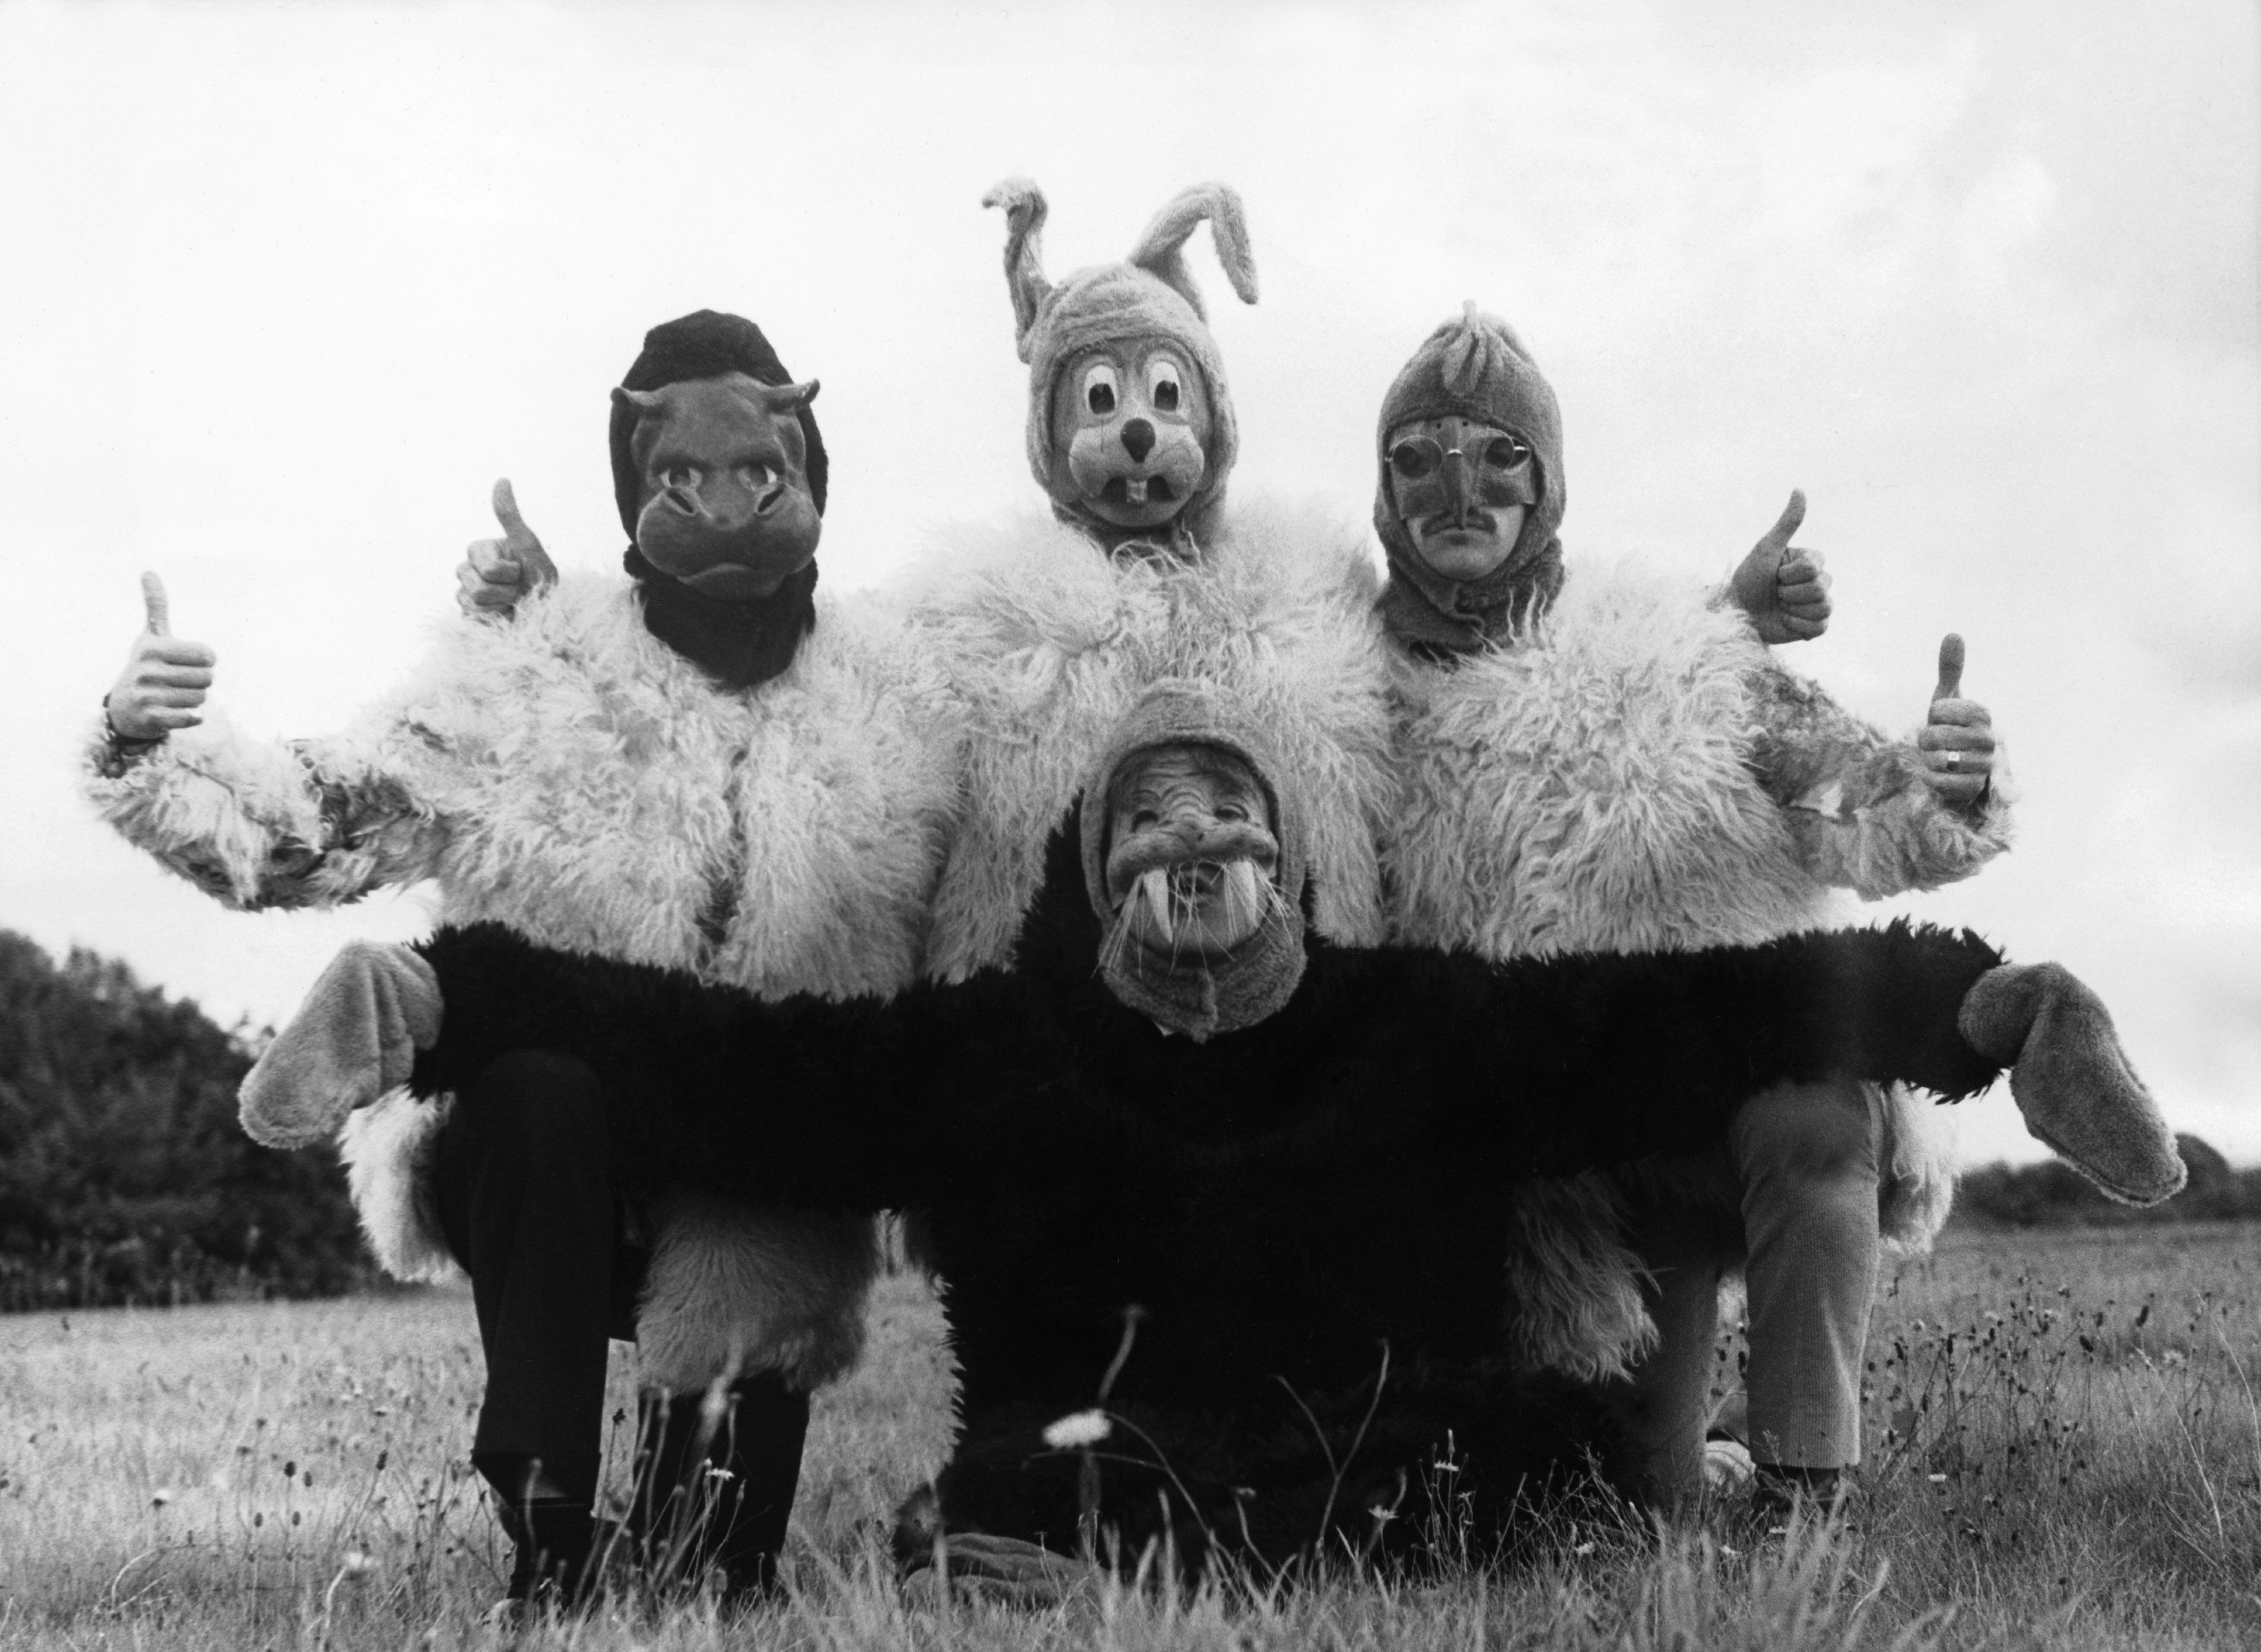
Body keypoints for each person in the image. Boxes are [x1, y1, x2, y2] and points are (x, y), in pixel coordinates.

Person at [90, 311, 961, 1605]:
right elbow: (323, 817)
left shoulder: (900, 704)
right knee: (536, 1081)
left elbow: (993, 903)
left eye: (761, 476)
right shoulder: (541, 673)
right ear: (636, 496)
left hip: (763, 1181)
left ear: (807, 480)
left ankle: (696, 1530)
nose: (725, 506)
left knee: (709, 1577)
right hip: (558, 1163)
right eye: (683, 479)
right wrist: (143, 744)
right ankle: (546, 1521)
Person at [1370, 304, 2023, 1513]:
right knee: (1638, 1506)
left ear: (1546, 482)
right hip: (1571, 1172)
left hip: (1733, 1088)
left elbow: (1863, 810)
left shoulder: (1670, 650)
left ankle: (1806, 1486)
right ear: (1384, 494)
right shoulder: (1350, 692)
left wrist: (1950, 779)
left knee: (1815, 1121)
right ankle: (1692, 1456)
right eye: (1419, 458)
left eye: (1498, 456)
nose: (1459, 489)